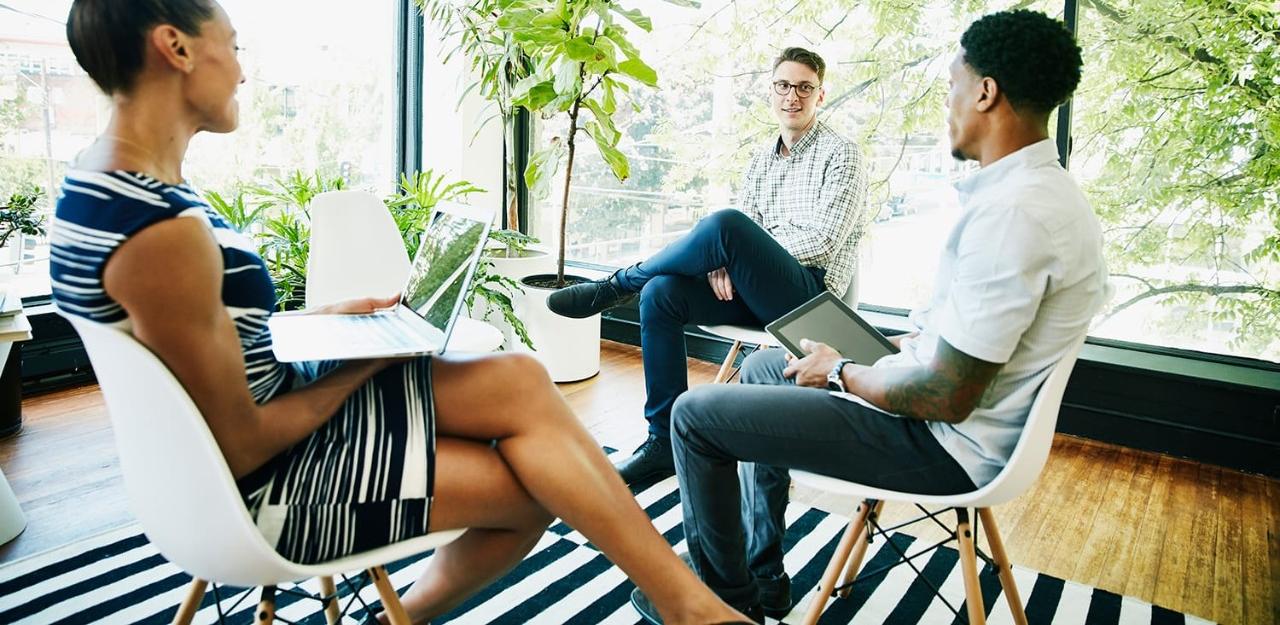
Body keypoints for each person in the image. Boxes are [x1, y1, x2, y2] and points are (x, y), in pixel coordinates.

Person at [52, 2, 752, 624]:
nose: (240, 70)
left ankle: (685, 604)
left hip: (245, 436)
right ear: (175, 47)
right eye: (233, 46)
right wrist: (371, 356)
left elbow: (212, 339)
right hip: (264, 490)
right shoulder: (159, 231)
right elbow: (243, 443)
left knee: (519, 379)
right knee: (538, 483)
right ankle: (683, 608)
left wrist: (333, 317)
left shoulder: (113, 183)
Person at [629, 9, 1109, 622]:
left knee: (695, 416)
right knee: (760, 370)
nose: (947, 104)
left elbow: (944, 394)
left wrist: (840, 371)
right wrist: (878, 349)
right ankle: (760, 572)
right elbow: (957, 351)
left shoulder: (1016, 215)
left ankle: (720, 605)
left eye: (952, 88)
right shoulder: (1037, 197)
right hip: (937, 410)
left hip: (940, 444)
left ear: (985, 93)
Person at [548, 47, 869, 485]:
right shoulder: (761, 159)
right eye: (783, 85)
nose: (792, 96)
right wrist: (730, 258)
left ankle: (618, 284)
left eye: (804, 88)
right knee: (661, 293)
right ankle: (664, 441)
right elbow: (745, 234)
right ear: (771, 91)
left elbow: (822, 240)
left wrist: (736, 254)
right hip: (755, 289)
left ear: (820, 95)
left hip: (808, 299)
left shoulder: (842, 154)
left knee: (725, 225)